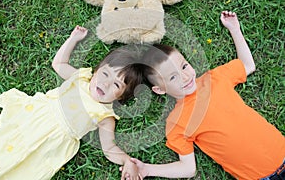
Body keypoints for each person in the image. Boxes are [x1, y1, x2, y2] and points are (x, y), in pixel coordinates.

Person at [122, 11, 285, 179]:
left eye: (184, 66)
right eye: (173, 77)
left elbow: (247, 65)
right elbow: (188, 168)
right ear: (160, 90)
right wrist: (147, 169)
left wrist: (234, 29)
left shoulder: (214, 79)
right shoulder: (177, 121)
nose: (185, 77)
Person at [0, 25, 143, 180]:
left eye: (116, 85)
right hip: (35, 117)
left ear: (121, 96)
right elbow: (59, 64)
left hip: (50, 141)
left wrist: (126, 160)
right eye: (105, 74)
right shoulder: (81, 78)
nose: (106, 83)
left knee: (18, 168)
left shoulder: (105, 116)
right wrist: (73, 39)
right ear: (96, 71)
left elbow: (109, 148)